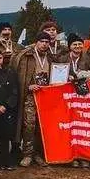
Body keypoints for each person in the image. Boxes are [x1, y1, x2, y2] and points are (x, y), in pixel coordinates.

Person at [12, 31, 54, 167]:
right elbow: (18, 76)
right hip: (30, 96)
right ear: (36, 42)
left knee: (42, 126)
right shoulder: (26, 56)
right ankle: (28, 154)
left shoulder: (51, 57)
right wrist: (28, 86)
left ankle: (38, 154)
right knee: (29, 125)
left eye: (47, 42)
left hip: (46, 96)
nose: (44, 44)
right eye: (42, 41)